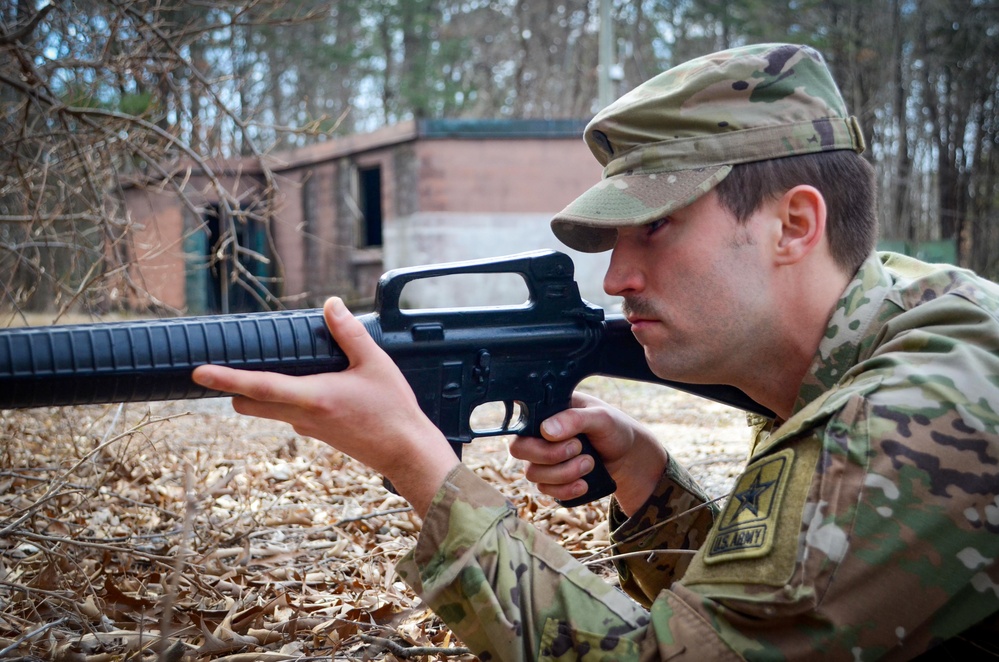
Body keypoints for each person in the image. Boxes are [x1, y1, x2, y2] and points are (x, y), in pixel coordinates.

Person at [192, 43, 999, 660]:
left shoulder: (904, 412)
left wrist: (419, 468)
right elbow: (780, 612)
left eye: (655, 227)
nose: (615, 277)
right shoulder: (908, 318)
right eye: (614, 238)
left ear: (794, 225)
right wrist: (651, 485)